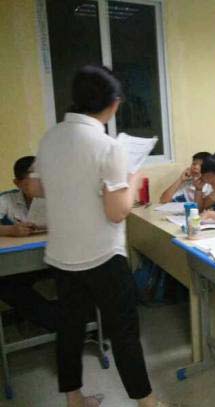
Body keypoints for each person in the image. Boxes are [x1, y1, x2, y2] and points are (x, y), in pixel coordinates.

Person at [30, 65, 171, 407]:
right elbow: (117, 211)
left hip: (62, 256)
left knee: (70, 329)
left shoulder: (51, 137)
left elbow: (33, 187)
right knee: (124, 332)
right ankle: (147, 403)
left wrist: (71, 186)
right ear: (114, 103)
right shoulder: (108, 146)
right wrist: (132, 177)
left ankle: (74, 399)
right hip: (103, 257)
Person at [0, 156, 59, 332]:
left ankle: (83, 320)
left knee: (80, 277)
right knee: (6, 286)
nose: (36, 187)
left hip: (55, 258)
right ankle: (56, 322)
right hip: (21, 263)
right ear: (17, 183)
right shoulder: (6, 200)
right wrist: (11, 230)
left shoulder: (57, 196)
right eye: (29, 183)